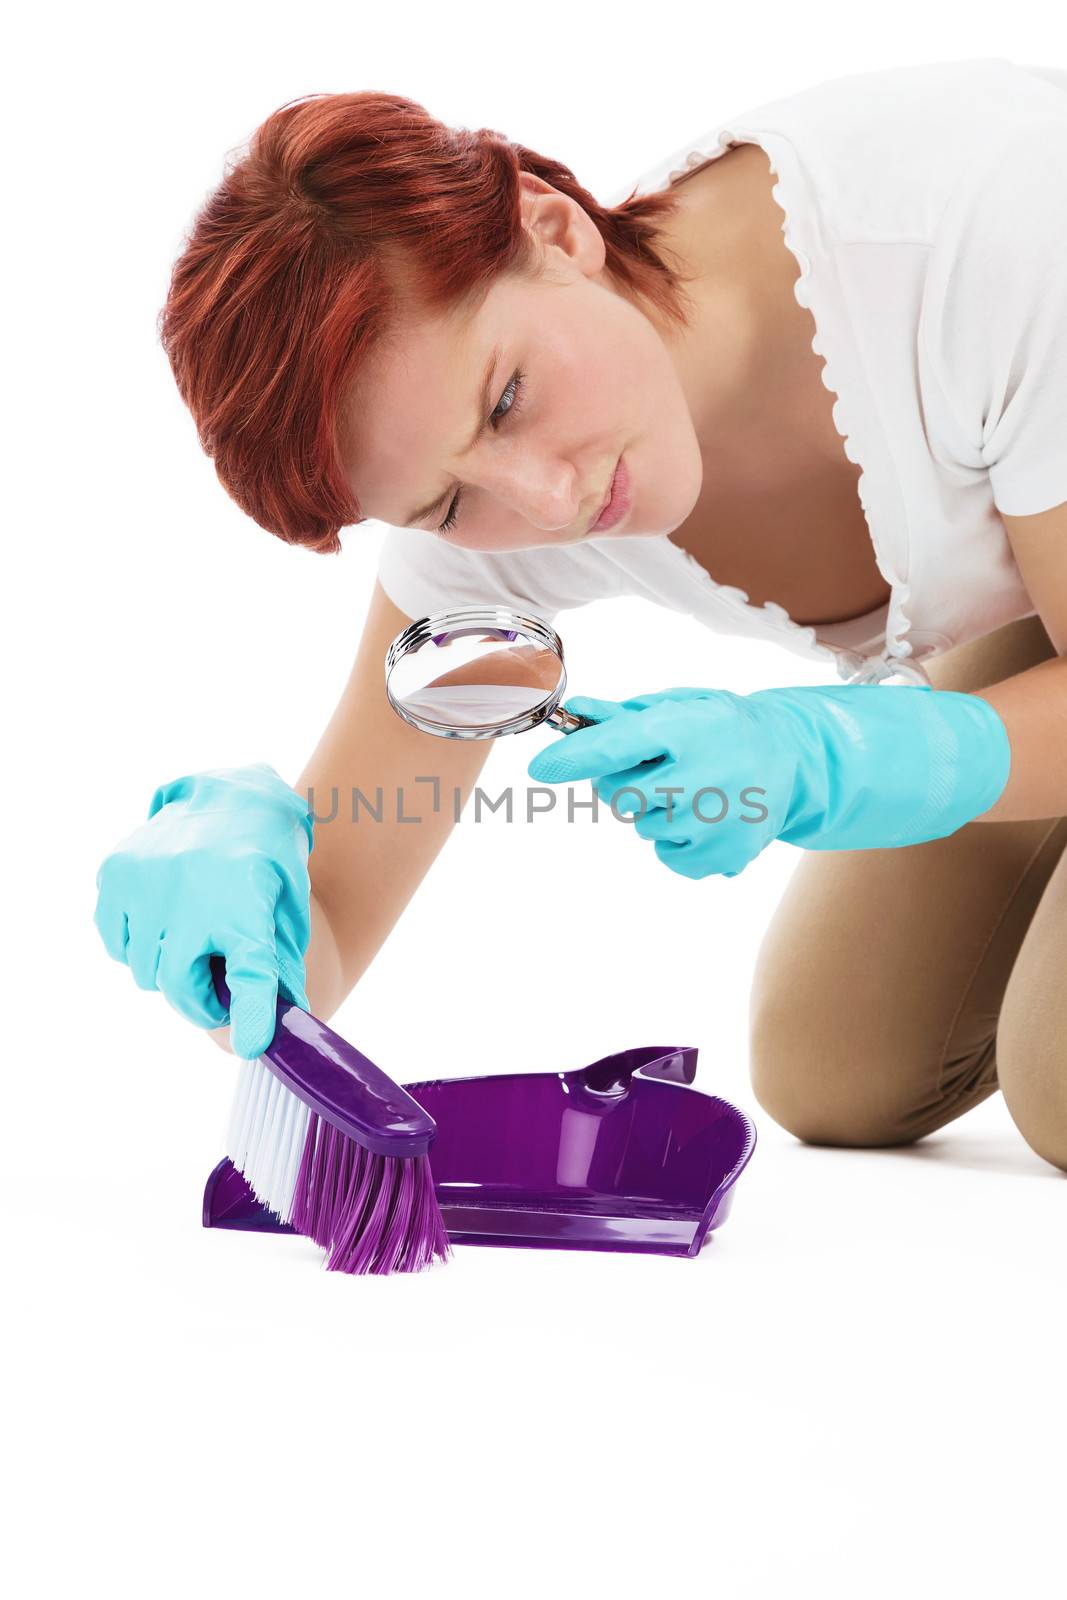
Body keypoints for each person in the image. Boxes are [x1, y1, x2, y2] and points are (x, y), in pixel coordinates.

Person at [94, 57, 1067, 1171]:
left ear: (550, 228)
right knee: (831, 1064)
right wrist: (234, 921)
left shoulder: (973, 230)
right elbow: (323, 927)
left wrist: (830, 753)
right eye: (448, 500)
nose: (547, 501)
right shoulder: (472, 505)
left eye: (507, 398)